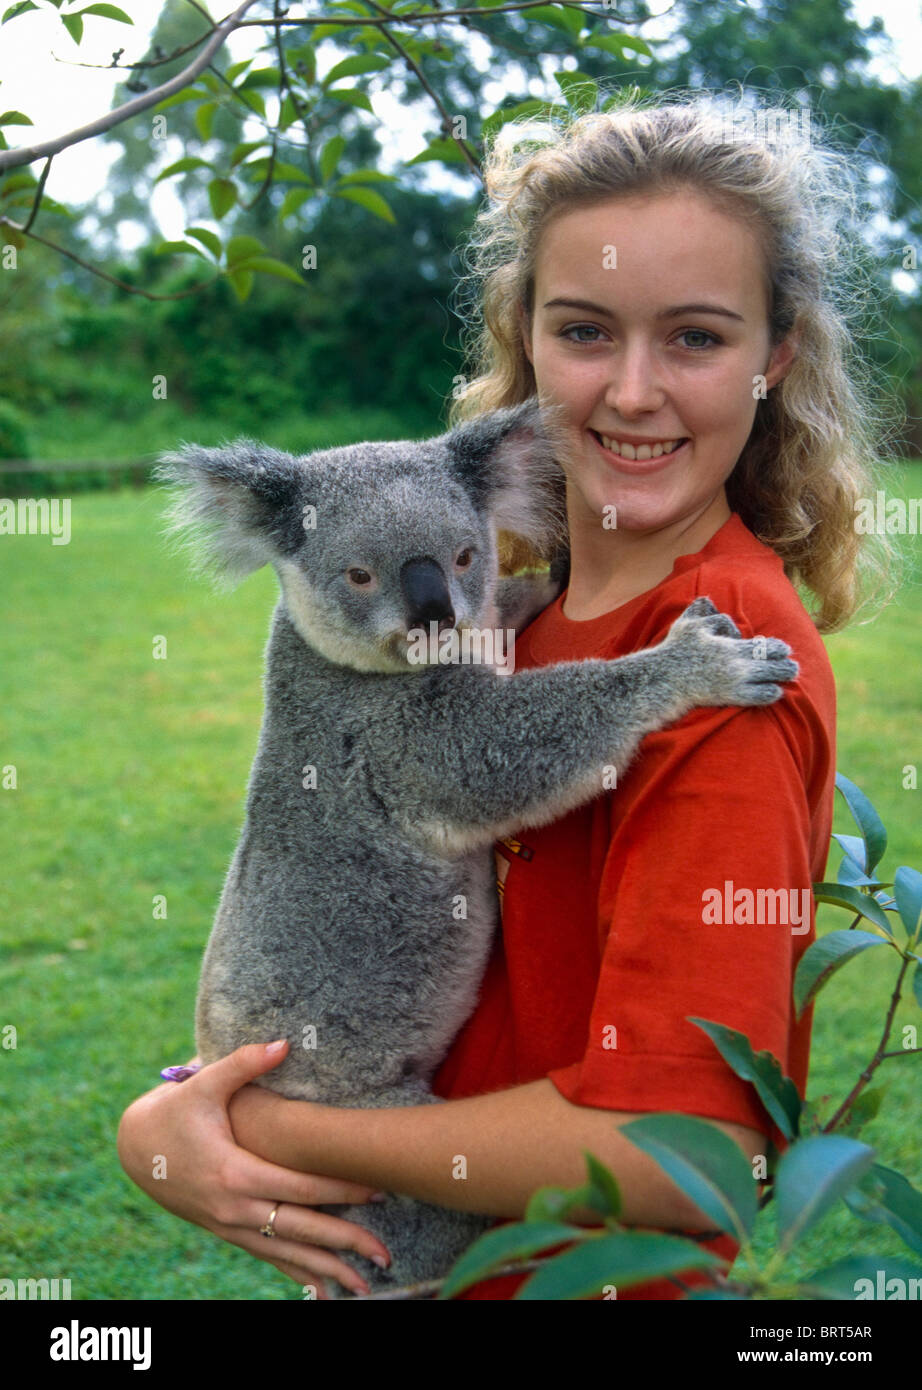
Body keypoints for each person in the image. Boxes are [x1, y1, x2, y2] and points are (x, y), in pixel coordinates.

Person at [117, 92, 894, 1300]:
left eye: (694, 337)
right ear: (521, 335)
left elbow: (681, 1150)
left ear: (774, 351)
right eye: (585, 331)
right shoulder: (513, 607)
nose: (632, 391)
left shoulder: (713, 653)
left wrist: (260, 1131)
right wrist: (172, 1117)